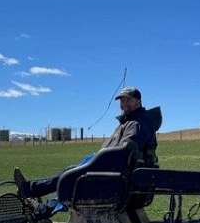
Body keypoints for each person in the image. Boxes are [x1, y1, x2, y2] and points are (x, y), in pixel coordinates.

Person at [14, 86, 162, 200]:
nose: (124, 104)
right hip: (113, 169)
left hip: (115, 173)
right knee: (70, 173)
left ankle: (31, 191)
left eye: (128, 100)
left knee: (70, 176)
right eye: (122, 101)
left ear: (138, 101)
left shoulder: (136, 123)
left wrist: (99, 159)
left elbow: (125, 151)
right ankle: (35, 195)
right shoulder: (133, 121)